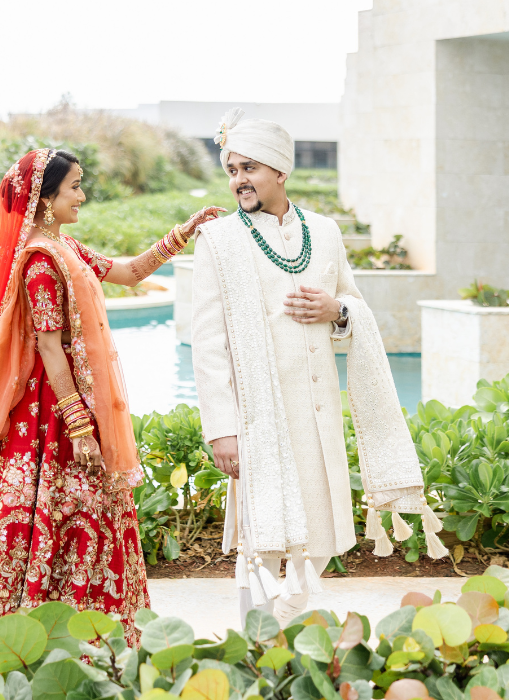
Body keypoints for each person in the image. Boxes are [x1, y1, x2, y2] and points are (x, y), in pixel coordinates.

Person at [0, 148, 223, 673]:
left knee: (89, 518)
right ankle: (28, 646)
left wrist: (186, 230)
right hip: (53, 418)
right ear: (46, 199)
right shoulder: (41, 259)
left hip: (74, 411)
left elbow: (130, 270)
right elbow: (48, 346)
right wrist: (79, 423)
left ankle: (96, 644)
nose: (82, 196)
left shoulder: (64, 248)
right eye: (74, 188)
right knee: (45, 519)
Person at [190, 109, 447, 627]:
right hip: (258, 414)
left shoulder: (325, 233)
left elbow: (352, 305)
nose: (238, 179)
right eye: (233, 169)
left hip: (317, 407)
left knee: (324, 528)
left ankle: (284, 617)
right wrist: (221, 429)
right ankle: (258, 637)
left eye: (250, 168)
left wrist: (337, 312)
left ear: (280, 172)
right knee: (259, 539)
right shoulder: (219, 240)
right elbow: (207, 343)